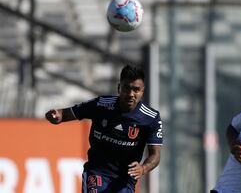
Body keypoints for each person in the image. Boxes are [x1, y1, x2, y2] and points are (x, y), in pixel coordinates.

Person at [45, 65, 163, 193]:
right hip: (97, 172)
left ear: (142, 91)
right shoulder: (101, 104)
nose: (130, 94)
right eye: (126, 88)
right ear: (119, 88)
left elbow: (155, 154)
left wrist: (143, 168)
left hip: (125, 179)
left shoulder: (151, 118)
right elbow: (68, 113)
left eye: (136, 90)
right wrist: (57, 115)